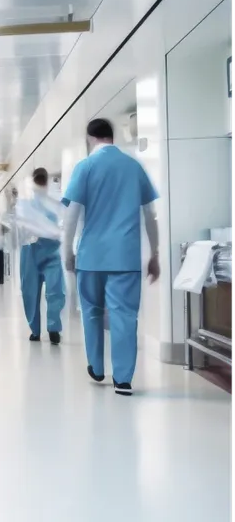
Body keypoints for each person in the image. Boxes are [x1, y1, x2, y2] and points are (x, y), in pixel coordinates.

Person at [61, 117, 161, 395]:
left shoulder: (85, 167)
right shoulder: (133, 166)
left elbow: (71, 215)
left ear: (90, 138)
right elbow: (150, 215)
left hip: (91, 256)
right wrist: (154, 253)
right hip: (126, 257)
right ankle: (123, 379)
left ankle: (96, 366)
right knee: (125, 315)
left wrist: (67, 250)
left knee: (91, 311)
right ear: (111, 136)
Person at [13, 168, 66, 344]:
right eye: (39, 180)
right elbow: (21, 225)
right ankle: (34, 329)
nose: (42, 183)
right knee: (30, 292)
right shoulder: (25, 201)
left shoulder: (56, 199)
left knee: (55, 290)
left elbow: (64, 221)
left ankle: (53, 328)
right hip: (31, 250)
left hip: (52, 250)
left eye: (44, 180)